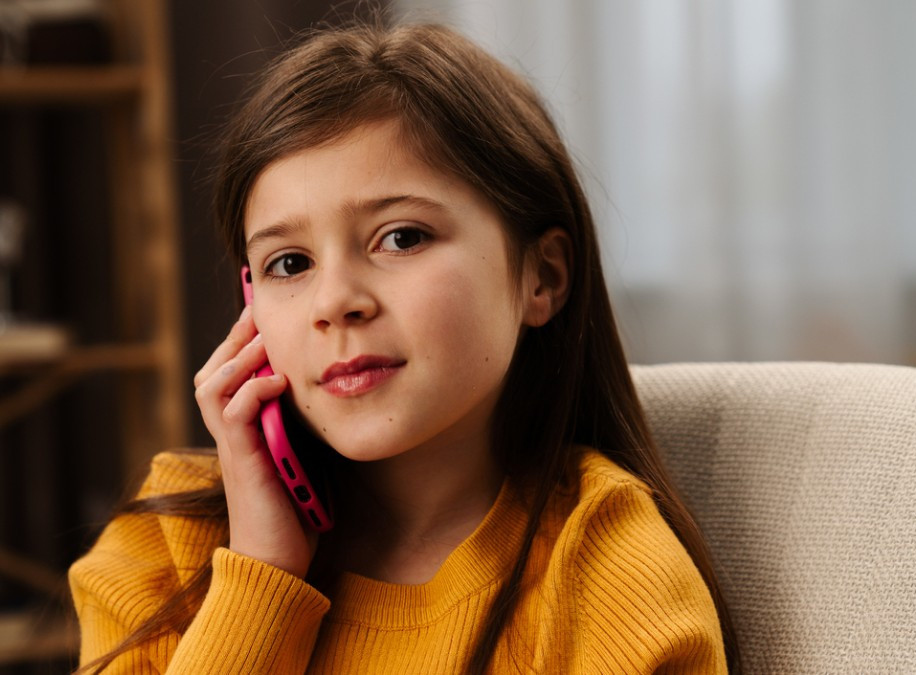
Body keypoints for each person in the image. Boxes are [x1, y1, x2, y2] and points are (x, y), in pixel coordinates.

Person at [70, 19, 738, 675]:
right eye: (290, 263)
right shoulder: (163, 541)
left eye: (401, 237)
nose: (335, 302)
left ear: (545, 276)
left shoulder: (604, 569)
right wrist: (260, 576)